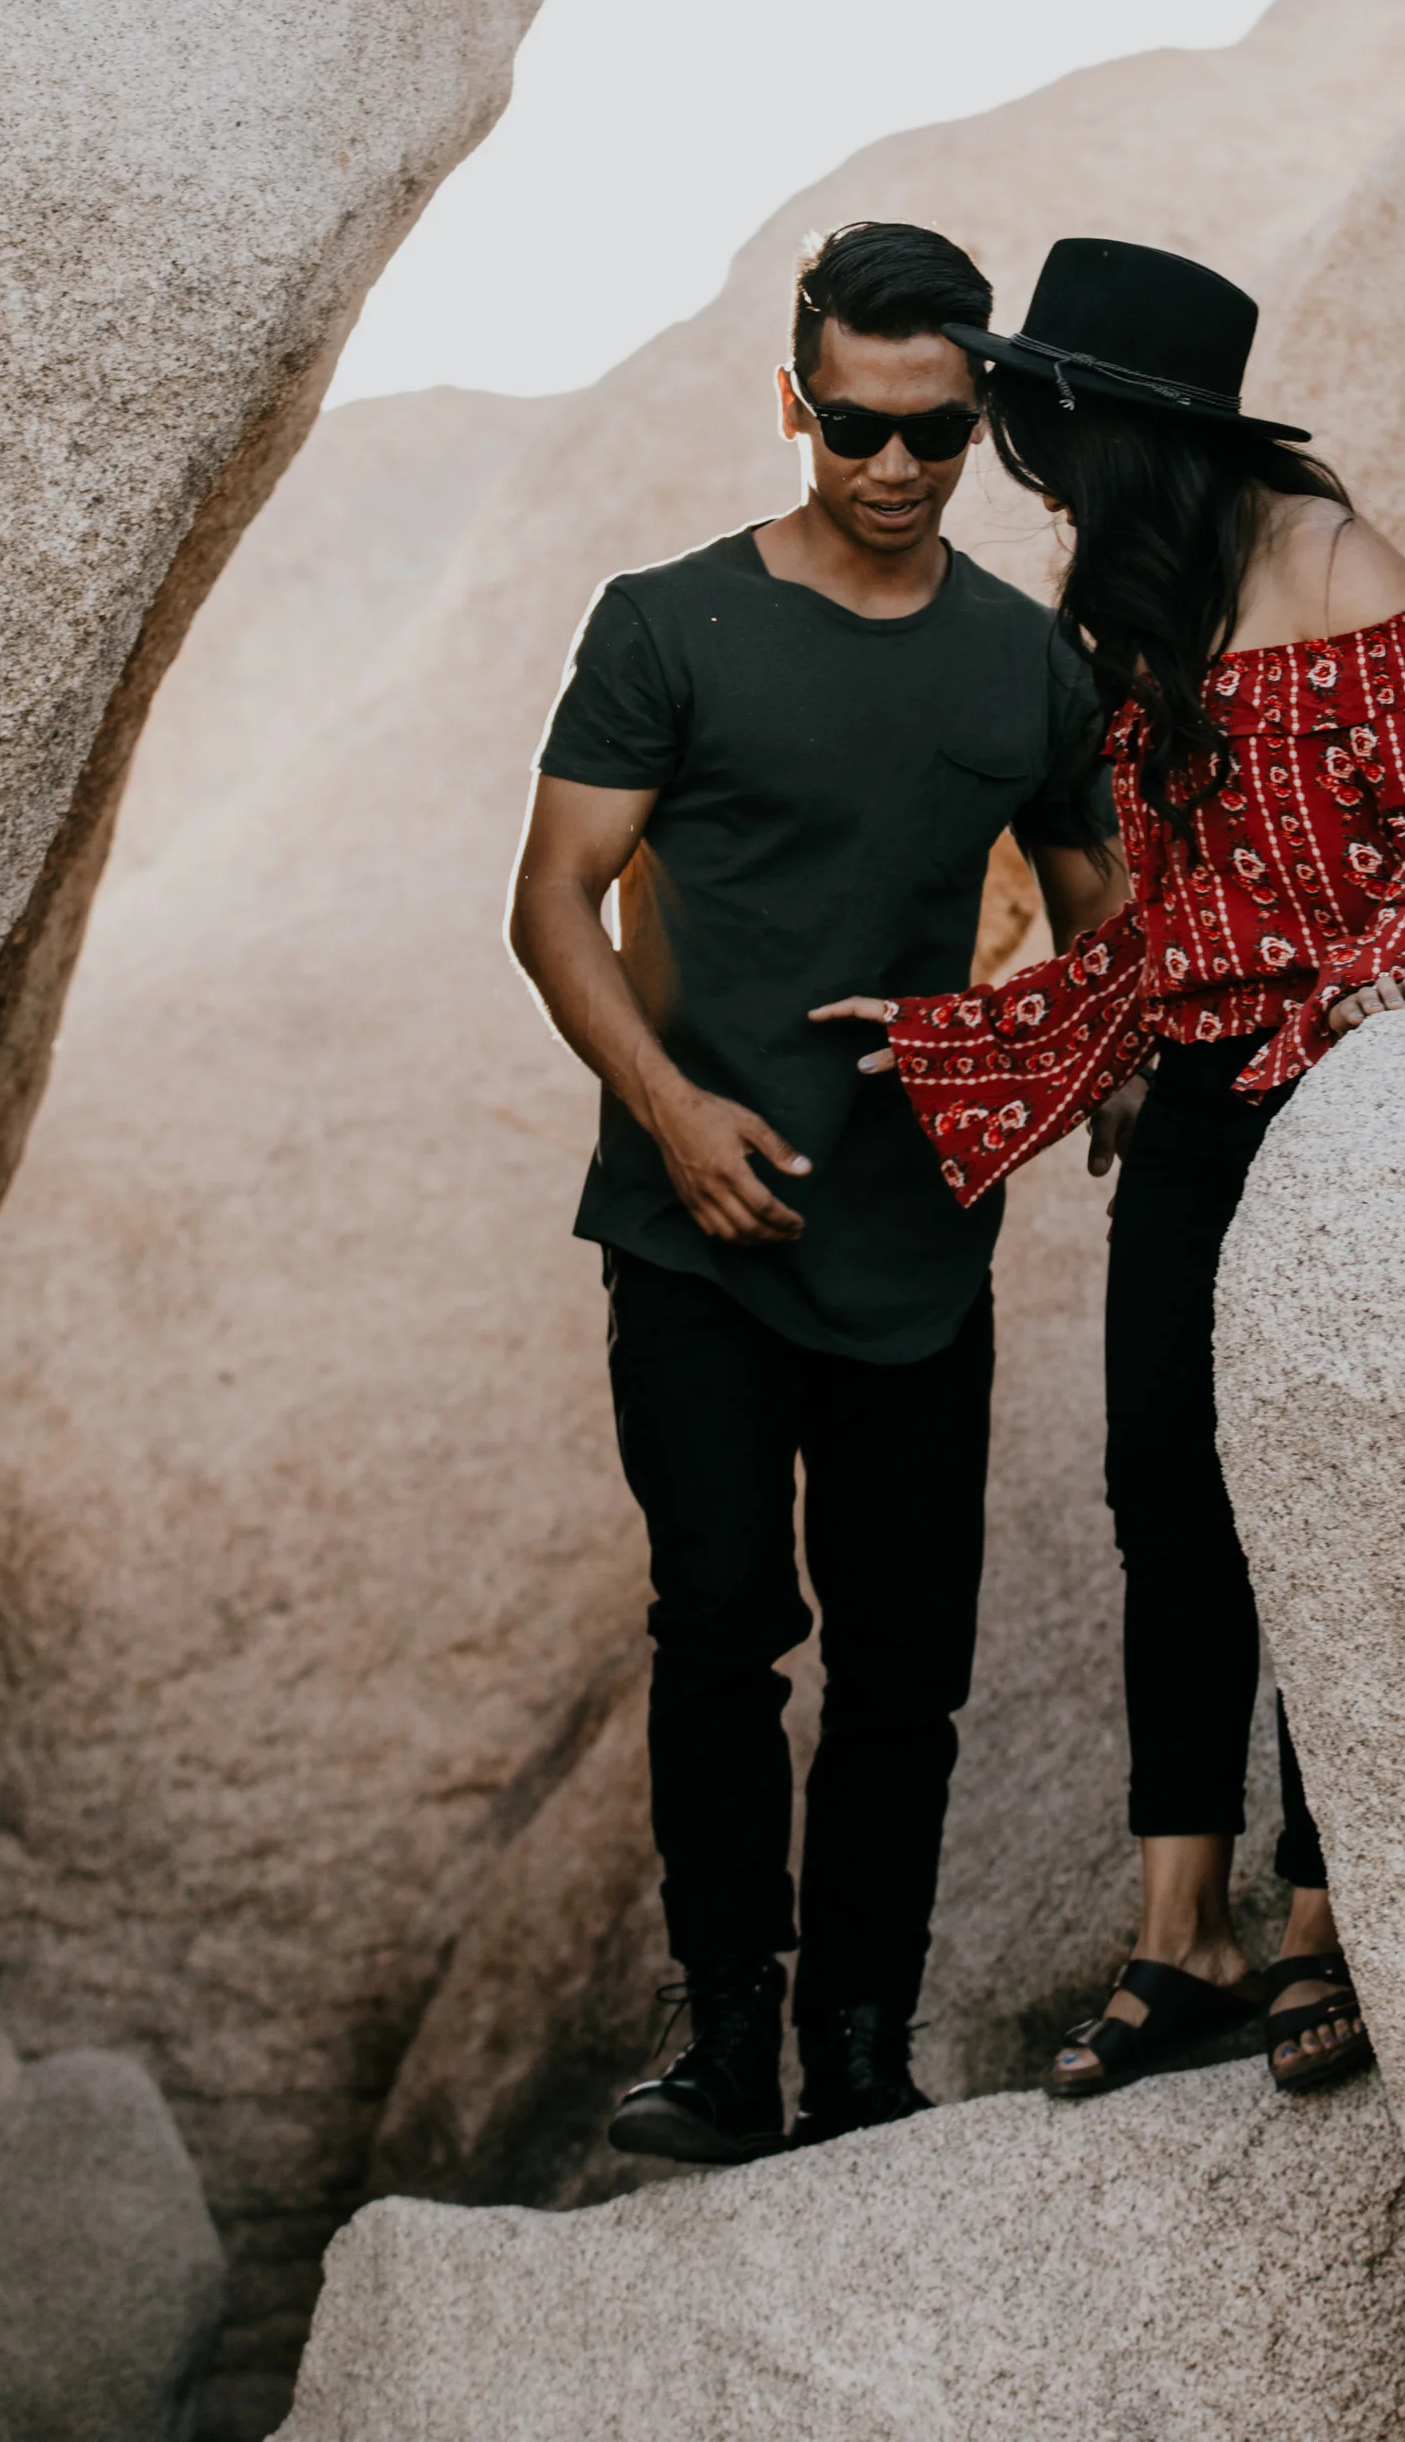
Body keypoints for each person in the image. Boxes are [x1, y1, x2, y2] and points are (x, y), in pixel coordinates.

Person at [816, 236, 1405, 2101]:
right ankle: (1178, 1929)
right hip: (1204, 1094)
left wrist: (1377, 1000)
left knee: (1325, 1500)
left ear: (1141, 434)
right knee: (1167, 1495)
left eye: (1052, 428)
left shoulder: (1335, 562)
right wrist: (972, 1040)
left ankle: (1326, 1913)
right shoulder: (1131, 618)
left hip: (1355, 1098)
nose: (1037, 466)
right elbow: (1152, 936)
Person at [507, 220, 1130, 2163]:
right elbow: (551, 906)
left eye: (932, 437)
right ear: (795, 402)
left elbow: (1104, 924)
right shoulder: (664, 622)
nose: (889, 470)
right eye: (853, 427)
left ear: (977, 426)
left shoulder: (1023, 665)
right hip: (685, 1236)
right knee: (714, 1632)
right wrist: (674, 1115)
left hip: (920, 1251)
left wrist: (1038, 1063)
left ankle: (860, 2053)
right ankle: (723, 2047)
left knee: (902, 1675)